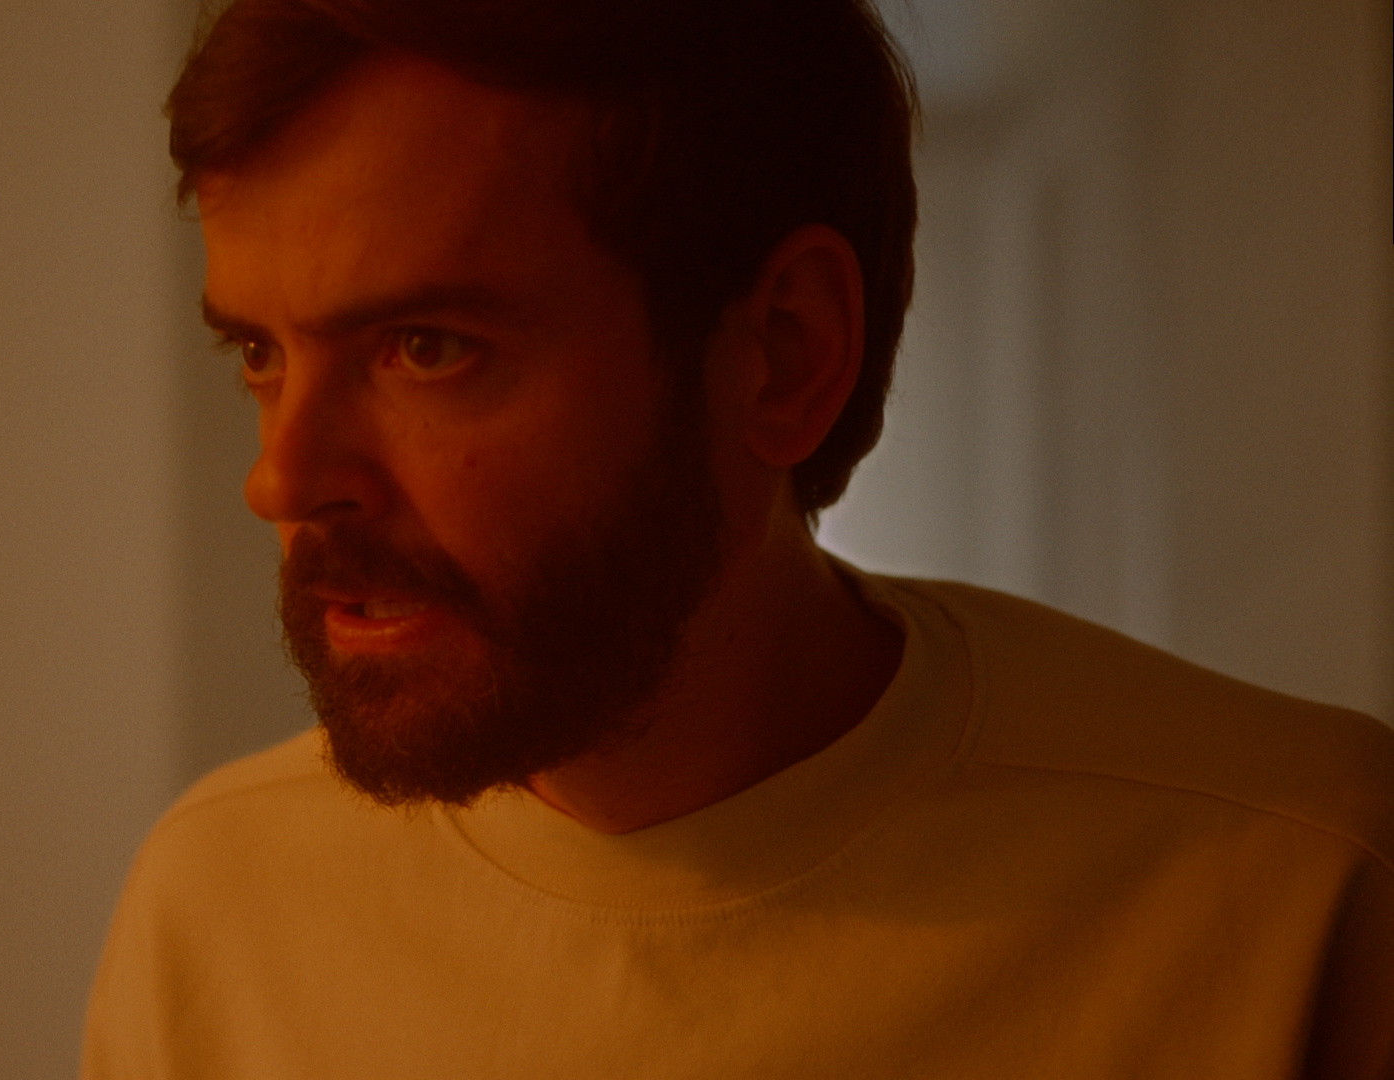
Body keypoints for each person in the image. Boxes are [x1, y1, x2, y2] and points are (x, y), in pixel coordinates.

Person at [83, 0, 1394, 1075]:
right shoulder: (219, 904)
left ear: (783, 352)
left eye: (427, 348)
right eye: (258, 353)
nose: (281, 478)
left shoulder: (1300, 883)